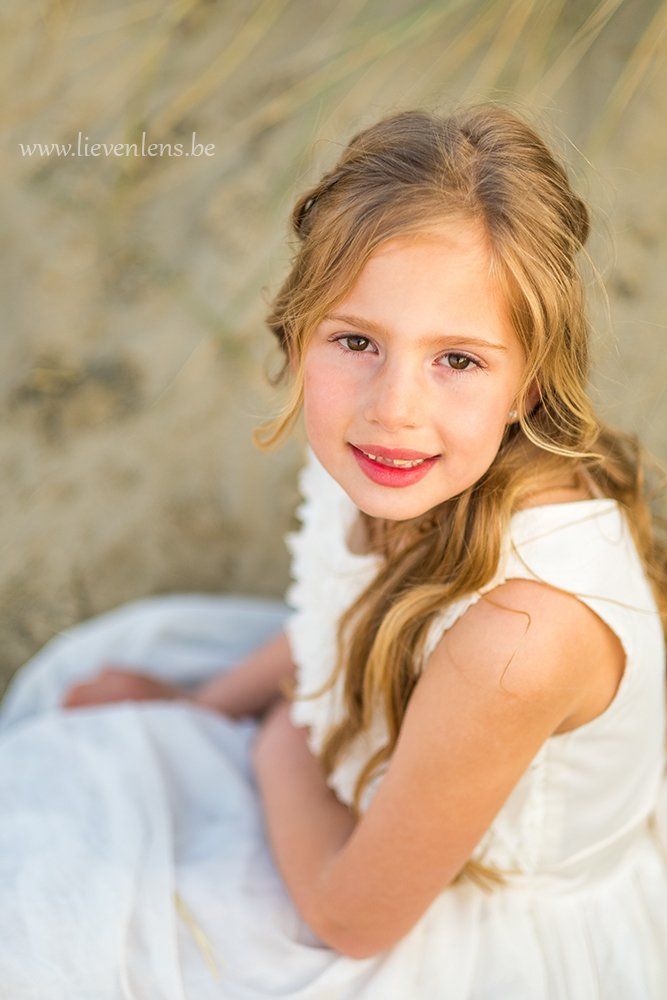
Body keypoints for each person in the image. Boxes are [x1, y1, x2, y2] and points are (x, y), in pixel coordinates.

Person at [1, 103, 666, 999]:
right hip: (368, 764)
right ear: (296, 334)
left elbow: (353, 920)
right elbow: (341, 610)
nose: (393, 407)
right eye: (356, 341)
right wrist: (203, 704)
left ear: (530, 384)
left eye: (458, 360)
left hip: (454, 921)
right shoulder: (411, 462)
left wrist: (277, 738)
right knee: (72, 765)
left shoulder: (518, 638)